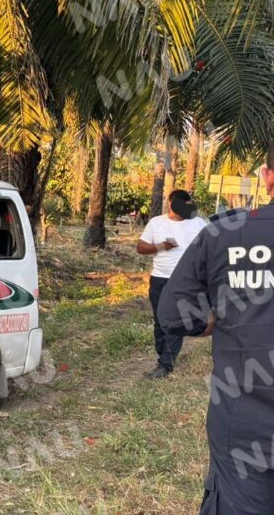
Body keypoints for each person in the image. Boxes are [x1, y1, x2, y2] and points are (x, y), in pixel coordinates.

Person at [159, 141, 274, 514]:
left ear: (267, 177)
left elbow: (172, 313)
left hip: (246, 422)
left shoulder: (224, 233)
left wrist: (214, 318)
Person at [136, 189, 207, 378]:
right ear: (169, 203)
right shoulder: (156, 223)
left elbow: (210, 246)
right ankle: (165, 355)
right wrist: (160, 246)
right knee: (160, 321)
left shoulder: (198, 223)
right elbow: (140, 247)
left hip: (187, 281)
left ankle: (165, 364)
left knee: (173, 321)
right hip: (160, 278)